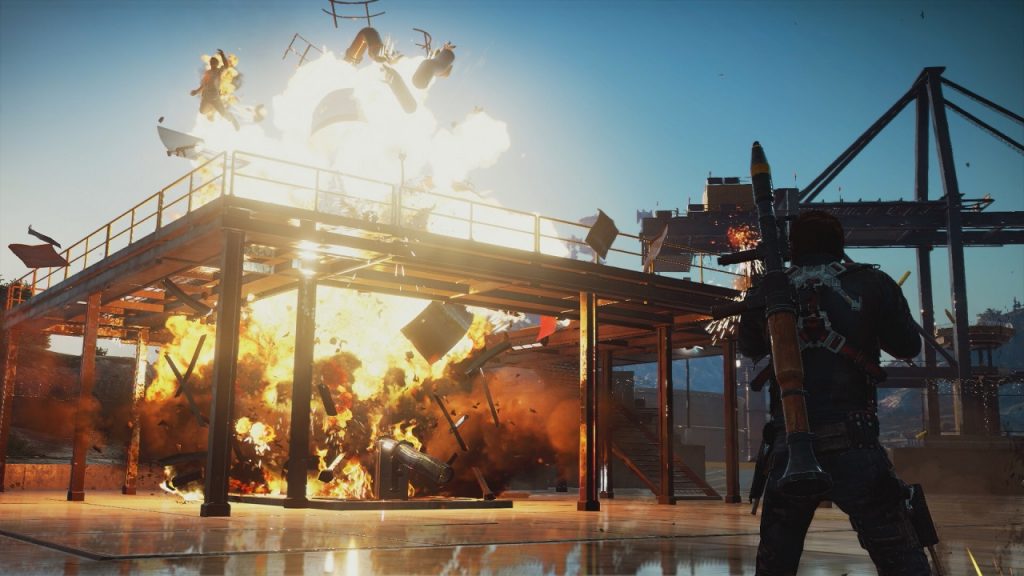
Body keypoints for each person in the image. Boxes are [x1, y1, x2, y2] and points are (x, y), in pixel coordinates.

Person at [738, 210, 931, 576]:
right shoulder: (872, 282)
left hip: (790, 441)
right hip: (854, 440)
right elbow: (907, 345)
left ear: (793, 247)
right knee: (902, 560)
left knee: (775, 565)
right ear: (840, 245)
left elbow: (748, 345)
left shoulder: (770, 289)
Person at [190, 49, 240, 130]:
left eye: (214, 63)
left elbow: (226, 66)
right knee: (202, 111)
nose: (212, 64)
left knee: (223, 114)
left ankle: (233, 119)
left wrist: (222, 55)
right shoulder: (207, 73)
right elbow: (203, 85)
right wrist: (196, 91)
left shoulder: (218, 71)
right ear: (210, 63)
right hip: (206, 97)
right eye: (211, 63)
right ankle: (212, 109)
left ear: (216, 64)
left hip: (215, 97)